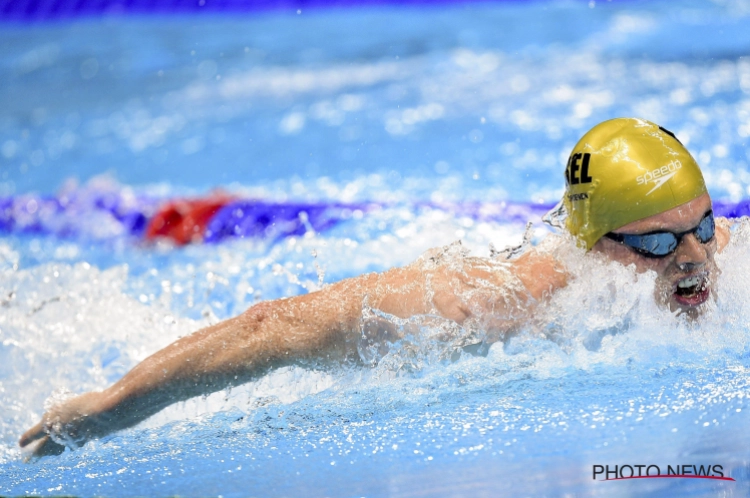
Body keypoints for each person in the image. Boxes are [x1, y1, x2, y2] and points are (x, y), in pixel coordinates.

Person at [18, 117, 732, 458]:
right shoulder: (487, 306)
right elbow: (276, 328)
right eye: (659, 244)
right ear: (594, 247)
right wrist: (108, 408)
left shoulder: (730, 258)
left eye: (703, 225)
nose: (695, 258)